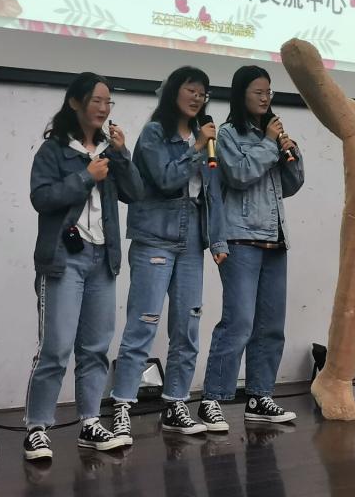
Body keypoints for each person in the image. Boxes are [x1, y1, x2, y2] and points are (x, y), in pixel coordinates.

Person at [22, 72, 143, 461]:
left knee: (95, 348)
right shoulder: (54, 150)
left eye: (109, 102)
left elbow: (135, 193)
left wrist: (122, 154)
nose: (104, 109)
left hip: (102, 259)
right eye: (97, 100)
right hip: (64, 259)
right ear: (75, 102)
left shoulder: (109, 150)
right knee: (55, 348)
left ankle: (90, 421)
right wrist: (85, 177)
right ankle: (37, 428)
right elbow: (42, 198)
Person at [108, 66, 228, 439]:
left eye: (202, 93)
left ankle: (175, 403)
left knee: (187, 326)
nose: (197, 97)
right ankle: (122, 406)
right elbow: (164, 179)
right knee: (143, 323)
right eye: (191, 90)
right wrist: (196, 148)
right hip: (155, 236)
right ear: (174, 91)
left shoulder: (204, 138)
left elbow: (212, 192)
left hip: (192, 240)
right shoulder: (154, 134)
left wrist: (218, 240)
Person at [197, 66, 304, 432]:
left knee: (271, 326)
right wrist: (270, 144)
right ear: (241, 93)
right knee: (239, 322)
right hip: (241, 238)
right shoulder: (228, 134)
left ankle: (260, 397)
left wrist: (290, 151)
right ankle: (212, 399)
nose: (265, 97)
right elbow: (239, 175)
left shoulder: (271, 136)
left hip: (275, 238)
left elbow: (289, 186)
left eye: (268, 92)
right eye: (258, 91)